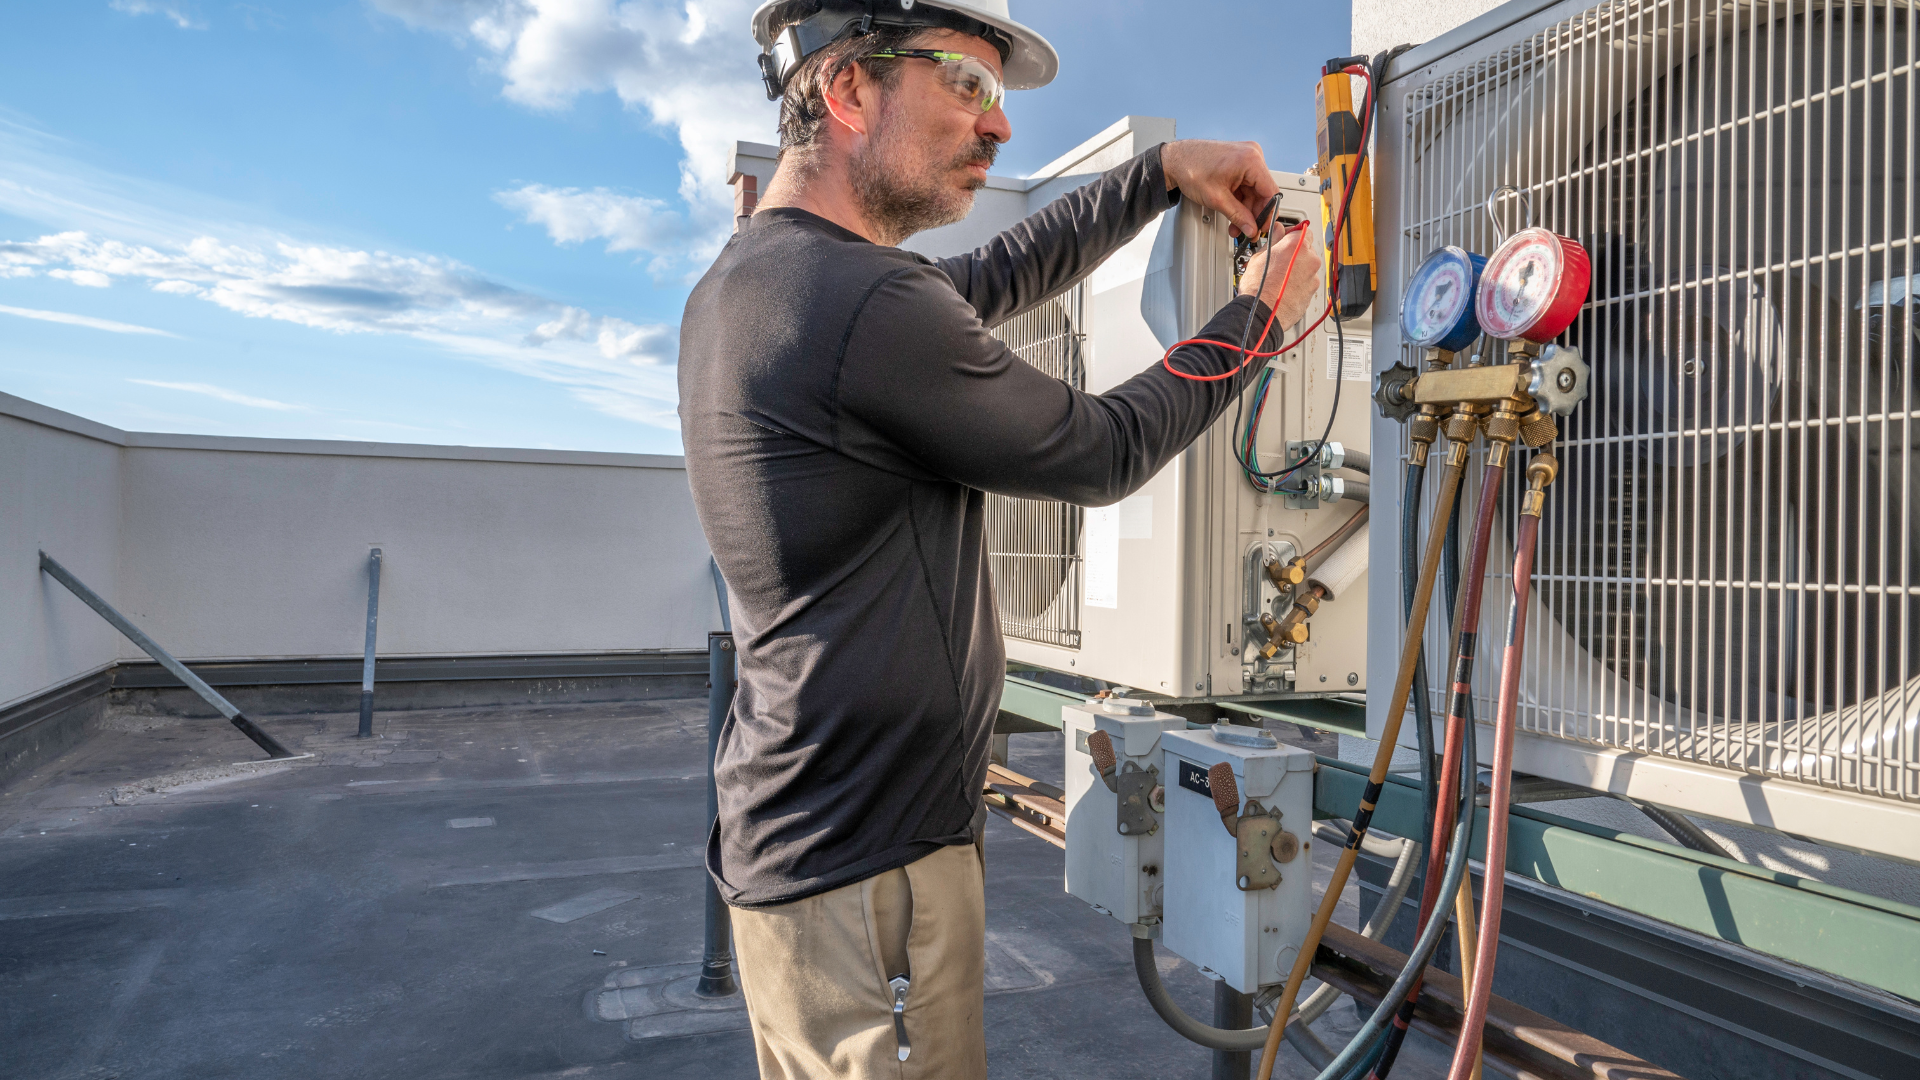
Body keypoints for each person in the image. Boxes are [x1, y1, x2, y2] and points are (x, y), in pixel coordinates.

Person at [678, 2, 1321, 1076]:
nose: (1000, 127)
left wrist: (1161, 171)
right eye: (966, 86)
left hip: (808, 846)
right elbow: (1100, 449)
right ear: (848, 91)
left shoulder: (763, 280)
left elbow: (1003, 276)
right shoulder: (857, 303)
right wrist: (1257, 315)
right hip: (869, 875)